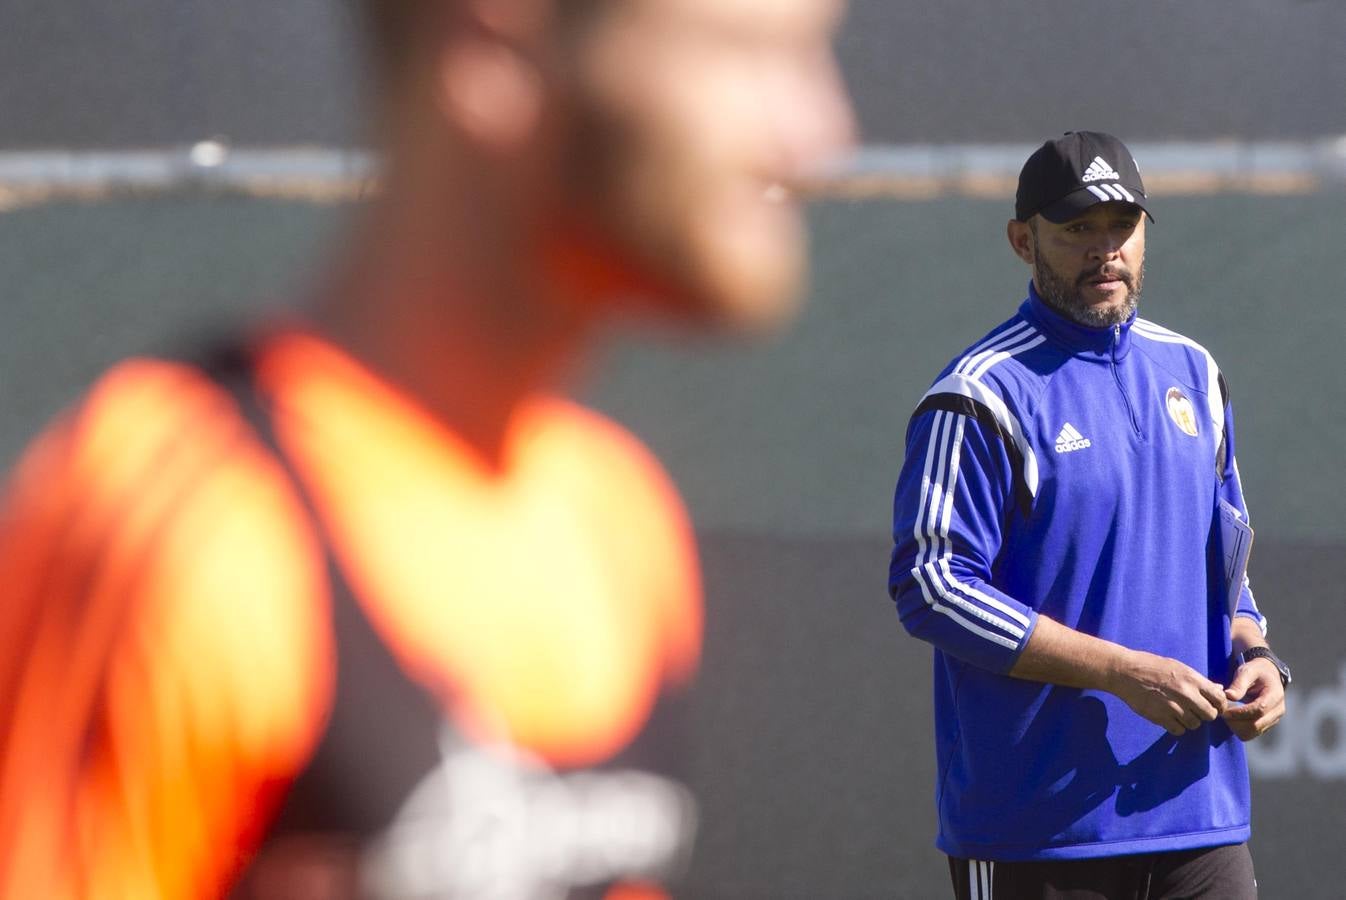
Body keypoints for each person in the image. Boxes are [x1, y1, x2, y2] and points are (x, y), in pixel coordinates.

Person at [0, 1, 855, 897]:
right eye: (747, 55)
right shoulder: (183, 531)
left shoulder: (616, 518)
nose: (819, 133)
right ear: (494, 49)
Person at [886, 131, 1289, 900]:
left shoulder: (1195, 373)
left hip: (1200, 817)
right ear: (1021, 240)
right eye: (1077, 229)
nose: (1104, 250)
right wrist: (1120, 671)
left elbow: (1225, 571)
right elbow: (931, 585)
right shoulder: (979, 394)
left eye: (1121, 227)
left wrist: (1257, 652)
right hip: (1037, 831)